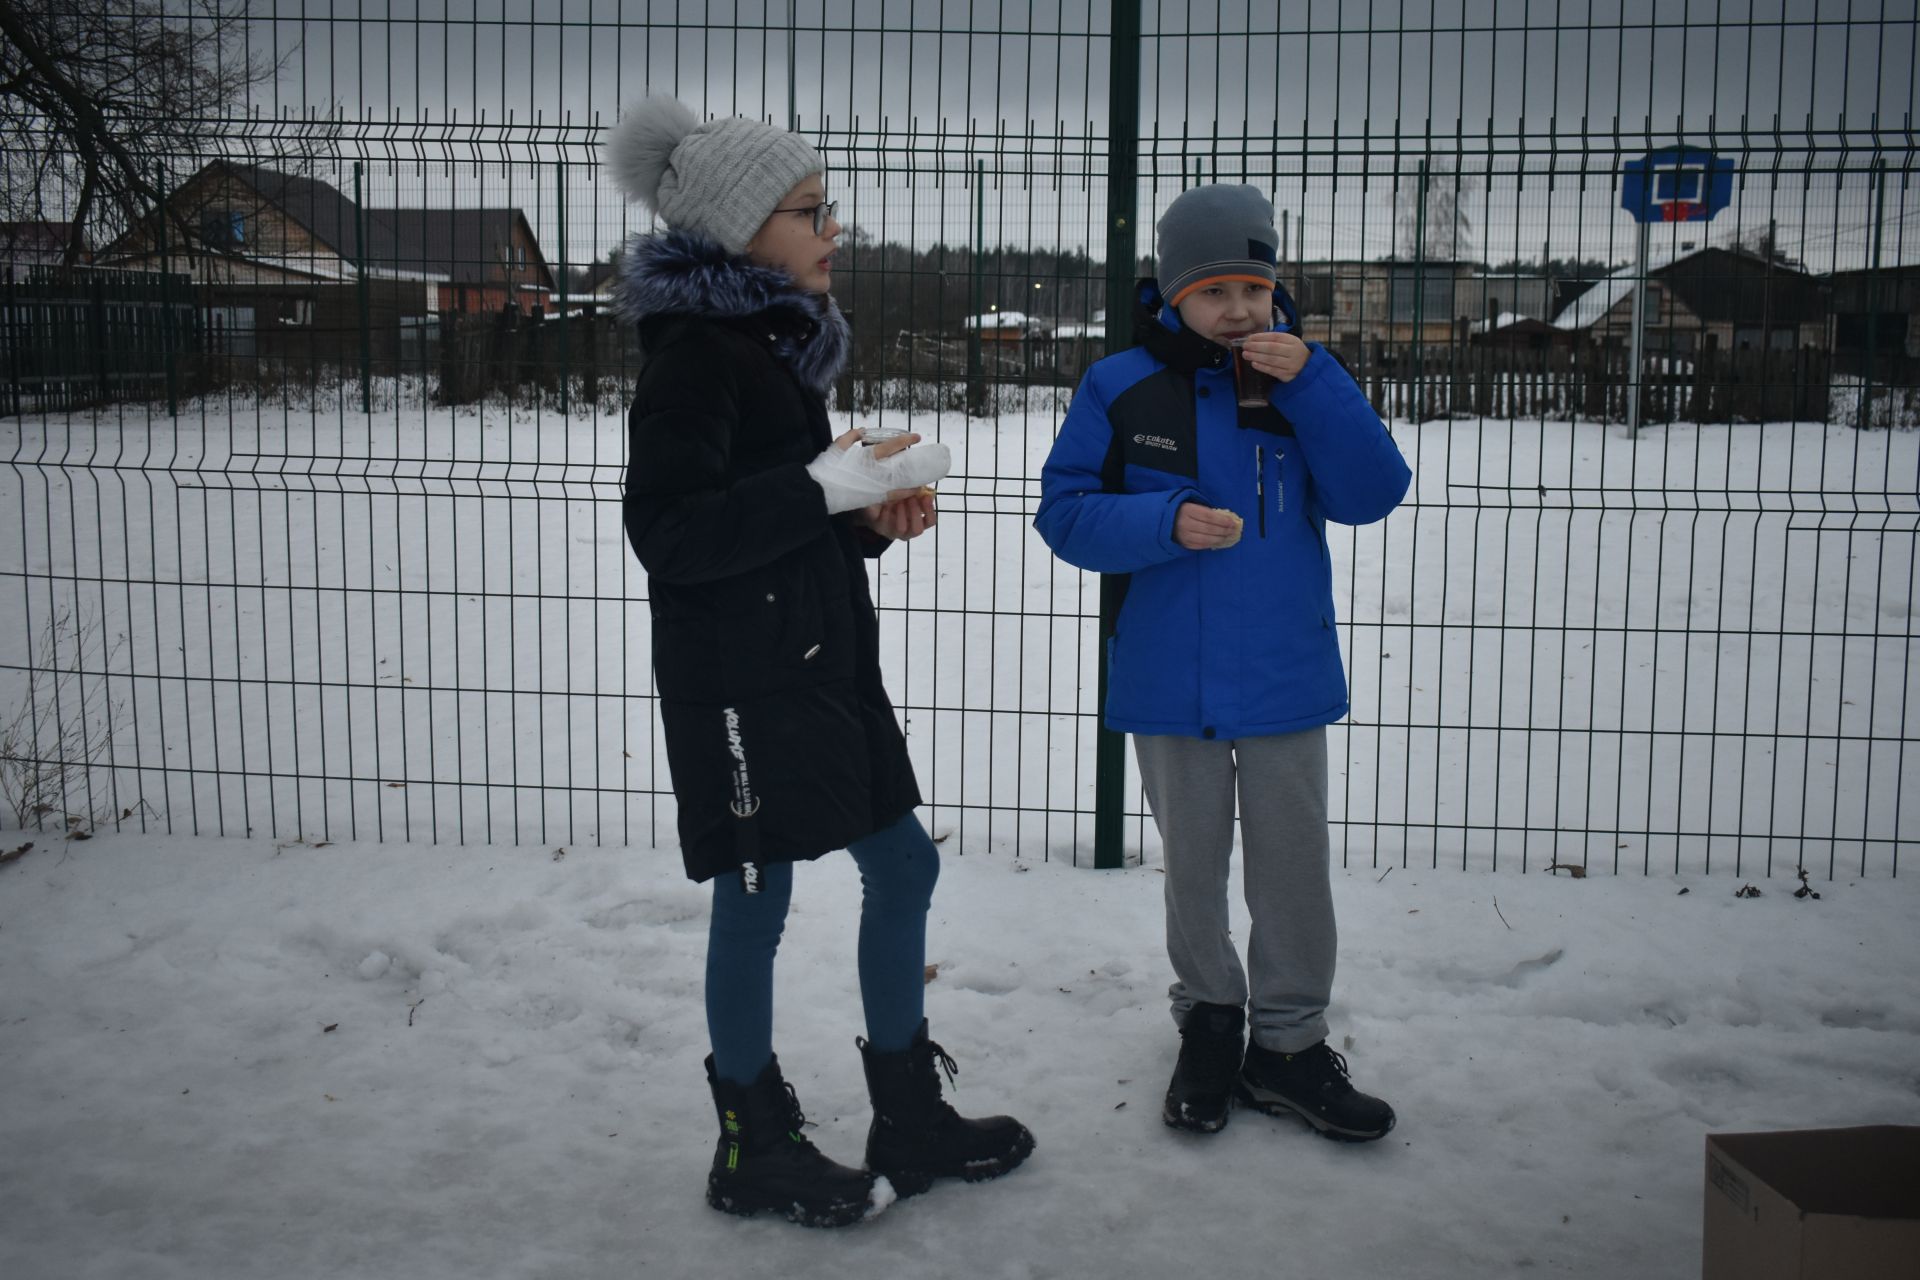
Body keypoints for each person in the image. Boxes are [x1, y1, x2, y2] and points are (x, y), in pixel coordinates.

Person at [603, 96, 1033, 1227]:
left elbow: (777, 521)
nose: (831, 226)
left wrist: (858, 519)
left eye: (825, 205)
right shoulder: (695, 359)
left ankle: (906, 1113)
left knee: (905, 868)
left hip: (824, 667)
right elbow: (673, 532)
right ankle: (751, 1140)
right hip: (737, 687)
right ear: (738, 231)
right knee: (756, 898)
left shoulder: (778, 349)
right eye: (807, 210)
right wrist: (821, 489)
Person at [1034, 184, 1411, 1142]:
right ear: (1171, 293)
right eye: (1216, 291)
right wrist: (1162, 522)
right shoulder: (1119, 385)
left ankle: (1289, 1044)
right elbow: (1065, 513)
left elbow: (1373, 492)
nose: (1239, 309)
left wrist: (1316, 382)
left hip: (1286, 674)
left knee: (1292, 867)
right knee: (1192, 868)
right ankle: (1209, 1022)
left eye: (1254, 286)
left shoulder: (1305, 380)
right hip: (1169, 679)